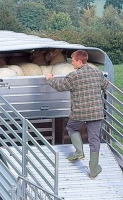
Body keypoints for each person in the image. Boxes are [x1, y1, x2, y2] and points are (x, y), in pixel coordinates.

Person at [45, 50, 109, 179]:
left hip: (79, 112)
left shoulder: (73, 76)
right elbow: (106, 86)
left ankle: (79, 151)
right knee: (94, 139)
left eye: (72, 60)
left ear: (79, 62)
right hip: (96, 112)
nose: (71, 62)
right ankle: (93, 169)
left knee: (71, 128)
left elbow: (60, 86)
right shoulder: (97, 73)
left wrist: (50, 79)